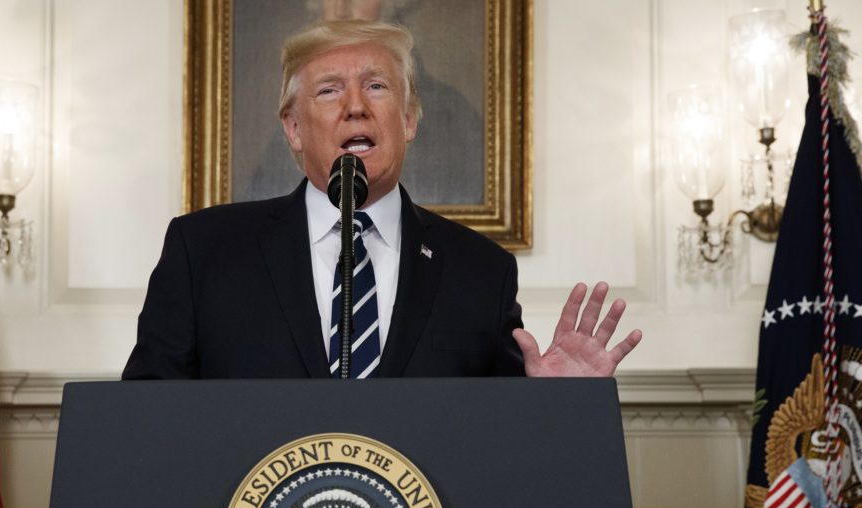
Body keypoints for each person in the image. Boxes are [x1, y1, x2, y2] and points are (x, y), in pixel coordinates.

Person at [122, 20, 641, 380]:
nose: (355, 107)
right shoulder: (204, 252)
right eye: (328, 91)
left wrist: (556, 404)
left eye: (376, 86)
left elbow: (498, 437)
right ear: (294, 128)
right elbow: (145, 416)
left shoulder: (480, 271)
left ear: (410, 119)